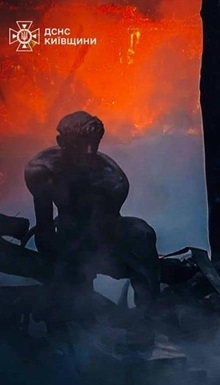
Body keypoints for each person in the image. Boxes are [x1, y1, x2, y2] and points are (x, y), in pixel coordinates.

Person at [24, 111, 160, 332]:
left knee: (142, 233)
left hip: (107, 234)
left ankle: (148, 316)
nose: (89, 152)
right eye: (81, 144)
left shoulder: (111, 179)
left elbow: (101, 232)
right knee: (68, 293)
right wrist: (54, 267)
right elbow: (45, 227)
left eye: (94, 144)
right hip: (67, 233)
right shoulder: (41, 170)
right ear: (62, 142)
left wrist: (83, 258)